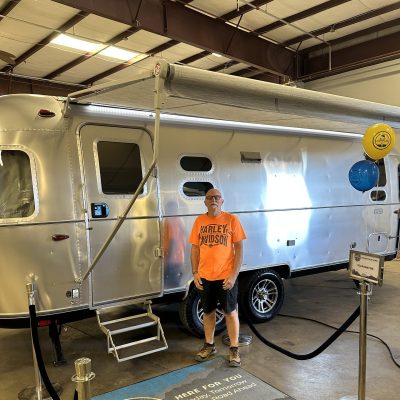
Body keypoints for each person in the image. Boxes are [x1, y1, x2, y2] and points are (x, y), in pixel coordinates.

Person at [189, 188, 246, 367]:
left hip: (226, 277)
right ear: (205, 202)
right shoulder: (199, 221)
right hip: (205, 276)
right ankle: (209, 345)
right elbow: (195, 249)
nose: (213, 200)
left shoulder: (232, 220)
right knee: (208, 312)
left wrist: (234, 275)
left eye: (217, 197)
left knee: (230, 312)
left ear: (222, 201)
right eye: (209, 198)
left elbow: (239, 248)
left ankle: (234, 349)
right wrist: (195, 272)